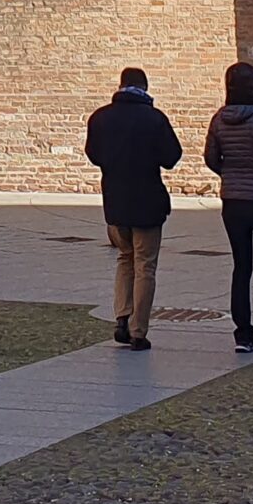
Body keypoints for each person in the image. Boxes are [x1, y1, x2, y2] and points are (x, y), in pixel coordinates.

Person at [84, 65, 182, 350]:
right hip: (148, 203)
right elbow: (171, 157)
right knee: (145, 265)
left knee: (125, 258)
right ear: (145, 88)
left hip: (115, 202)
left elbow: (94, 155)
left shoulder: (100, 118)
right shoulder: (154, 119)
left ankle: (122, 317)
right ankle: (139, 331)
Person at [203, 60, 253, 352]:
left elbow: (211, 158)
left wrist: (230, 174)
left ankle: (243, 333)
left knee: (242, 266)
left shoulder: (219, 119)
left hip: (234, 200)